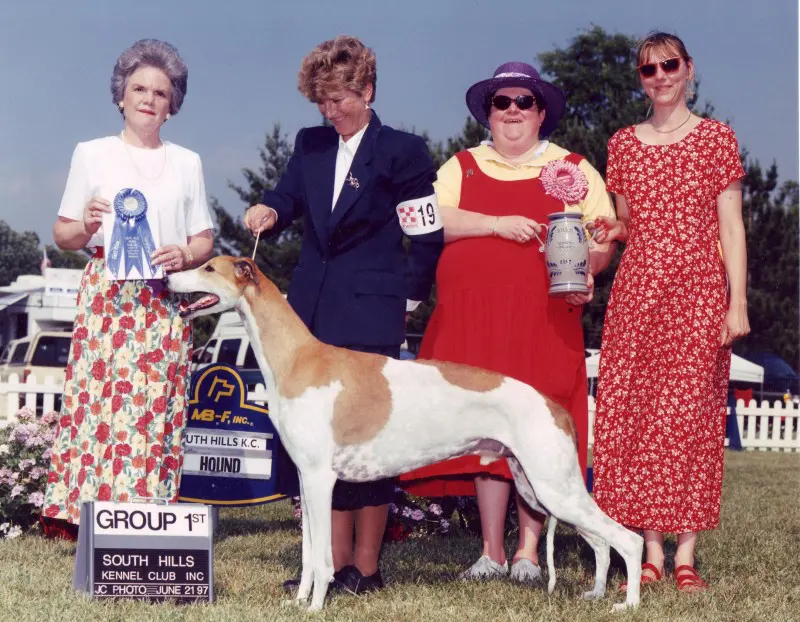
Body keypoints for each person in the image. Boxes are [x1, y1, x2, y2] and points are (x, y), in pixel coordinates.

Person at [399, 61, 615, 581]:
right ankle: (491, 550)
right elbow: (429, 221)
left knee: (536, 428)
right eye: (502, 103)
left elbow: (602, 237)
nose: (513, 111)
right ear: (488, 113)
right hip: (471, 319)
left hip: (543, 317)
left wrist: (592, 266)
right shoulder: (461, 165)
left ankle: (529, 550)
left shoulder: (576, 167)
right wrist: (497, 225)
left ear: (542, 113)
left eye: (524, 102)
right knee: (484, 432)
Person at [243, 35, 442, 593]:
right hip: (309, 313)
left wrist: (406, 299)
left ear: (367, 90)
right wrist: (268, 209)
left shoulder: (403, 150)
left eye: (339, 100)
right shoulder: (309, 145)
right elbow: (286, 199)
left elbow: (425, 236)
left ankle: (368, 567)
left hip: (373, 311)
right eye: (322, 102)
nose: (331, 112)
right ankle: (327, 568)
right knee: (318, 444)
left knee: (371, 442)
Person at [590, 32, 750, 592]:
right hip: (638, 293)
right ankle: (649, 550)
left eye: (670, 65)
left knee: (691, 417)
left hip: (700, 290)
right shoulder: (624, 144)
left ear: (689, 69)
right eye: (648, 69)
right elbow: (629, 224)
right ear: (640, 78)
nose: (660, 76)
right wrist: (614, 229)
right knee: (639, 417)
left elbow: (731, 226)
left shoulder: (716, 139)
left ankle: (686, 554)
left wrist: (738, 302)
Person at [42, 39, 214, 539]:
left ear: (172, 104)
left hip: (162, 298)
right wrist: (88, 223)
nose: (149, 99)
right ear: (121, 95)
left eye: (161, 92)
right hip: (106, 295)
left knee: (155, 404)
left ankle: (149, 510)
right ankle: (85, 516)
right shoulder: (91, 153)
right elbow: (64, 234)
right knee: (98, 403)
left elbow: (204, 237)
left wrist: (186, 253)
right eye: (139, 88)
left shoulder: (188, 162)